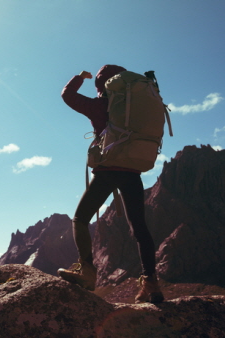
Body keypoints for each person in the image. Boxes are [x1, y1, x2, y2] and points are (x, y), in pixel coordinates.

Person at [58, 65, 164, 304]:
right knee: (139, 228)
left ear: (101, 86)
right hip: (133, 171)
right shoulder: (135, 104)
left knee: (81, 219)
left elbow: (67, 95)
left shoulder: (99, 106)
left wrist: (79, 78)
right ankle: (152, 283)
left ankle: (86, 272)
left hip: (107, 171)